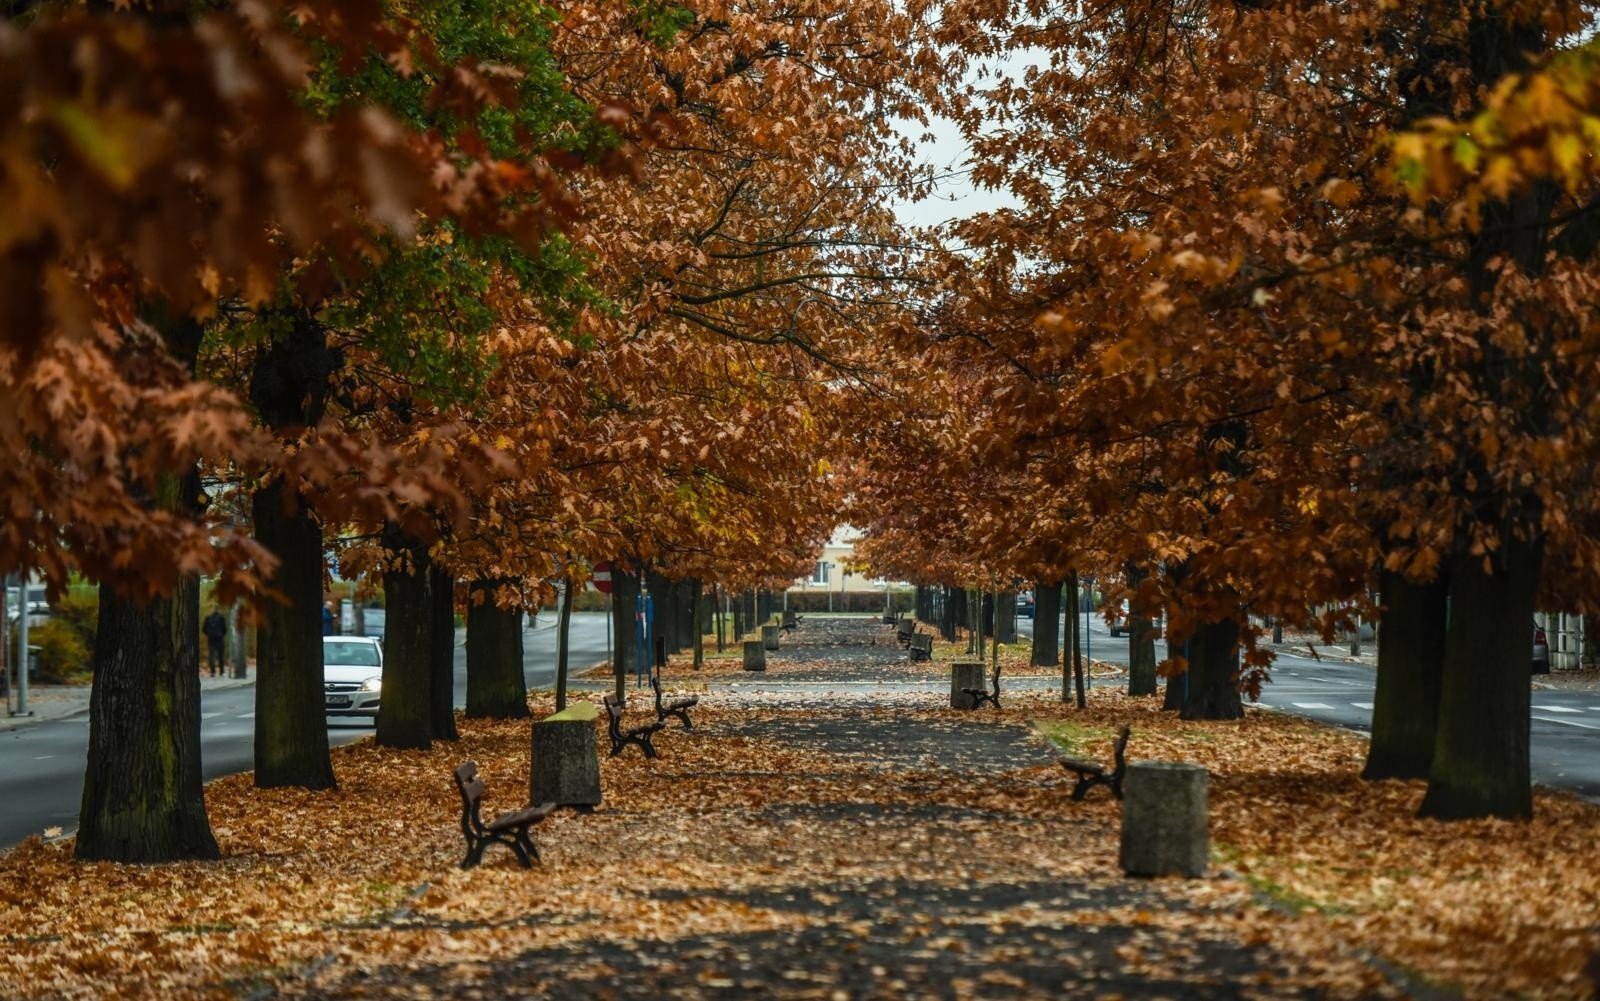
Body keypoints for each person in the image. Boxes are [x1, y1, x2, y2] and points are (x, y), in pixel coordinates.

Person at [202, 606, 228, 678]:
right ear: (218, 610)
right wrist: (221, 635)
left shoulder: (208, 618)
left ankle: (212, 672)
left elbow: (203, 629)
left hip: (211, 640)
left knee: (211, 656)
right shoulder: (221, 618)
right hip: (220, 640)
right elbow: (225, 629)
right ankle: (221, 672)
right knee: (220, 656)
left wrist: (209, 634)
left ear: (212, 610)